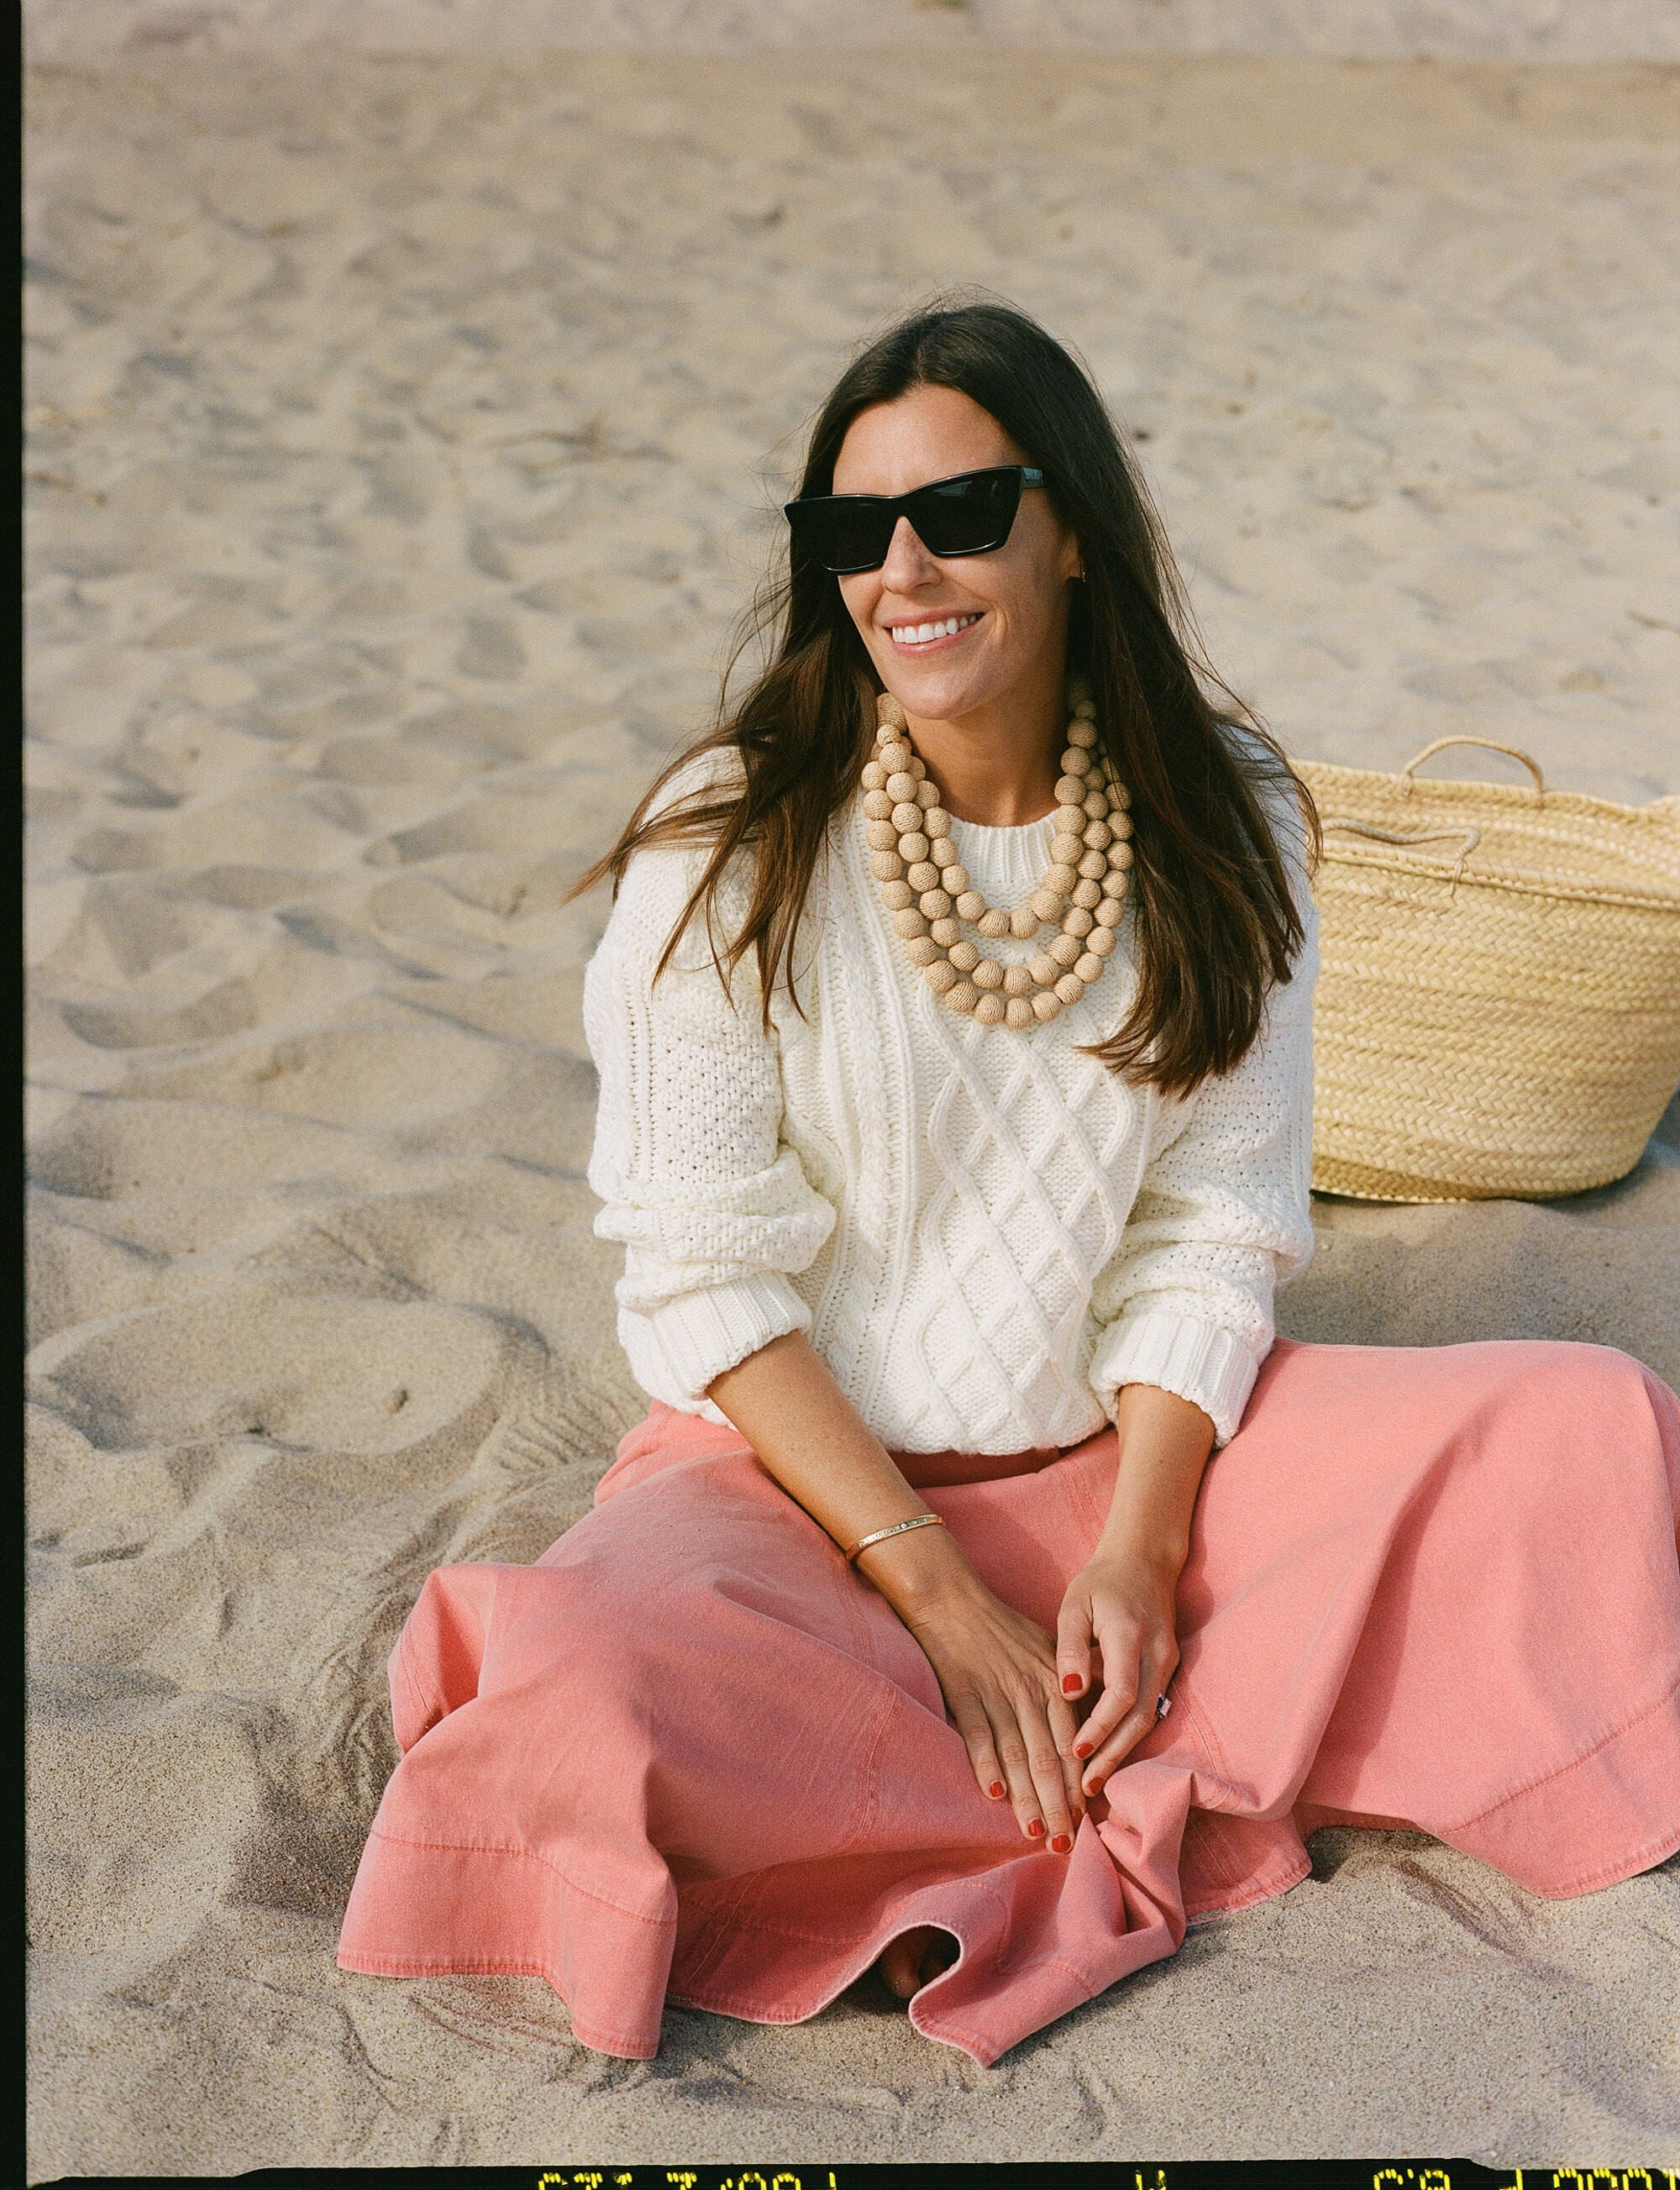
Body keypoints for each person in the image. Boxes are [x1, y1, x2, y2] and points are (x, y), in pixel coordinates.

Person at [337, 300, 1680, 2066]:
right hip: (793, 1495)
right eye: (851, 528)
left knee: (1589, 1430)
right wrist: (941, 1597)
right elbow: (702, 1272)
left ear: (1071, 531)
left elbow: (1211, 1228)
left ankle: (1021, 1749)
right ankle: (1041, 1760)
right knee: (588, 1683)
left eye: (959, 512)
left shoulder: (1227, 814)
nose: (903, 569)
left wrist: (1140, 1549)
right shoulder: (725, 844)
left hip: (1133, 1458)